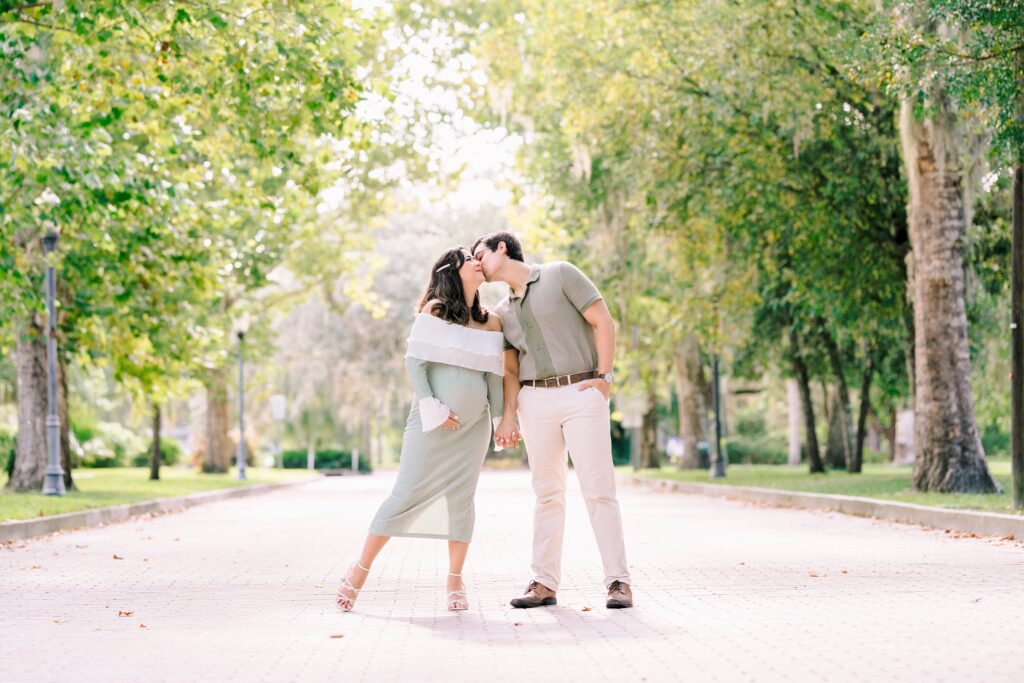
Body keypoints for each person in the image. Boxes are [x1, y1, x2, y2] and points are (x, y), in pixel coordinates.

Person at [335, 247, 504, 612]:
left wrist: (501, 420)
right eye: (467, 257)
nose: (477, 260)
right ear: (451, 270)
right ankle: (359, 571)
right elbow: (416, 365)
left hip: (473, 431)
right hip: (430, 425)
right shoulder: (436, 311)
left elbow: (494, 378)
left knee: (461, 501)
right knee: (404, 495)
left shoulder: (491, 322)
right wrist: (435, 408)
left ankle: (455, 581)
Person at [471, 231, 633, 609]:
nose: (478, 263)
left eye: (481, 254)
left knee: (599, 490)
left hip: (581, 394)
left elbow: (603, 322)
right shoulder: (501, 313)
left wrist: (604, 381)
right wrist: (508, 417)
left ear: (502, 248)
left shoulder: (561, 274)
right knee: (546, 494)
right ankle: (543, 583)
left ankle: (618, 581)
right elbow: (510, 372)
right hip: (534, 401)